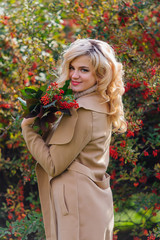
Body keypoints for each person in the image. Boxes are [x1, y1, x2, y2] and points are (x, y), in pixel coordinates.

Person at [21, 38, 127, 240]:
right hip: (89, 204)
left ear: (100, 73)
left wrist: (28, 129)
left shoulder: (83, 111)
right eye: (72, 67)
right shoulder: (99, 103)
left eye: (84, 70)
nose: (74, 75)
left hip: (77, 208)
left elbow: (53, 165)